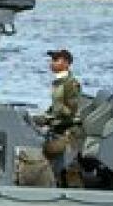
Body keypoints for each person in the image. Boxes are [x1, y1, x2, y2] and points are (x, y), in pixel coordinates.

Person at [36, 48, 84, 187]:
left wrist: (51, 118)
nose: (52, 63)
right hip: (58, 128)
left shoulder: (71, 84)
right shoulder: (59, 82)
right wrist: (45, 117)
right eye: (52, 60)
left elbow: (71, 111)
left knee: (49, 152)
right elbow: (55, 106)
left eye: (56, 60)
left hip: (67, 131)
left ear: (67, 64)